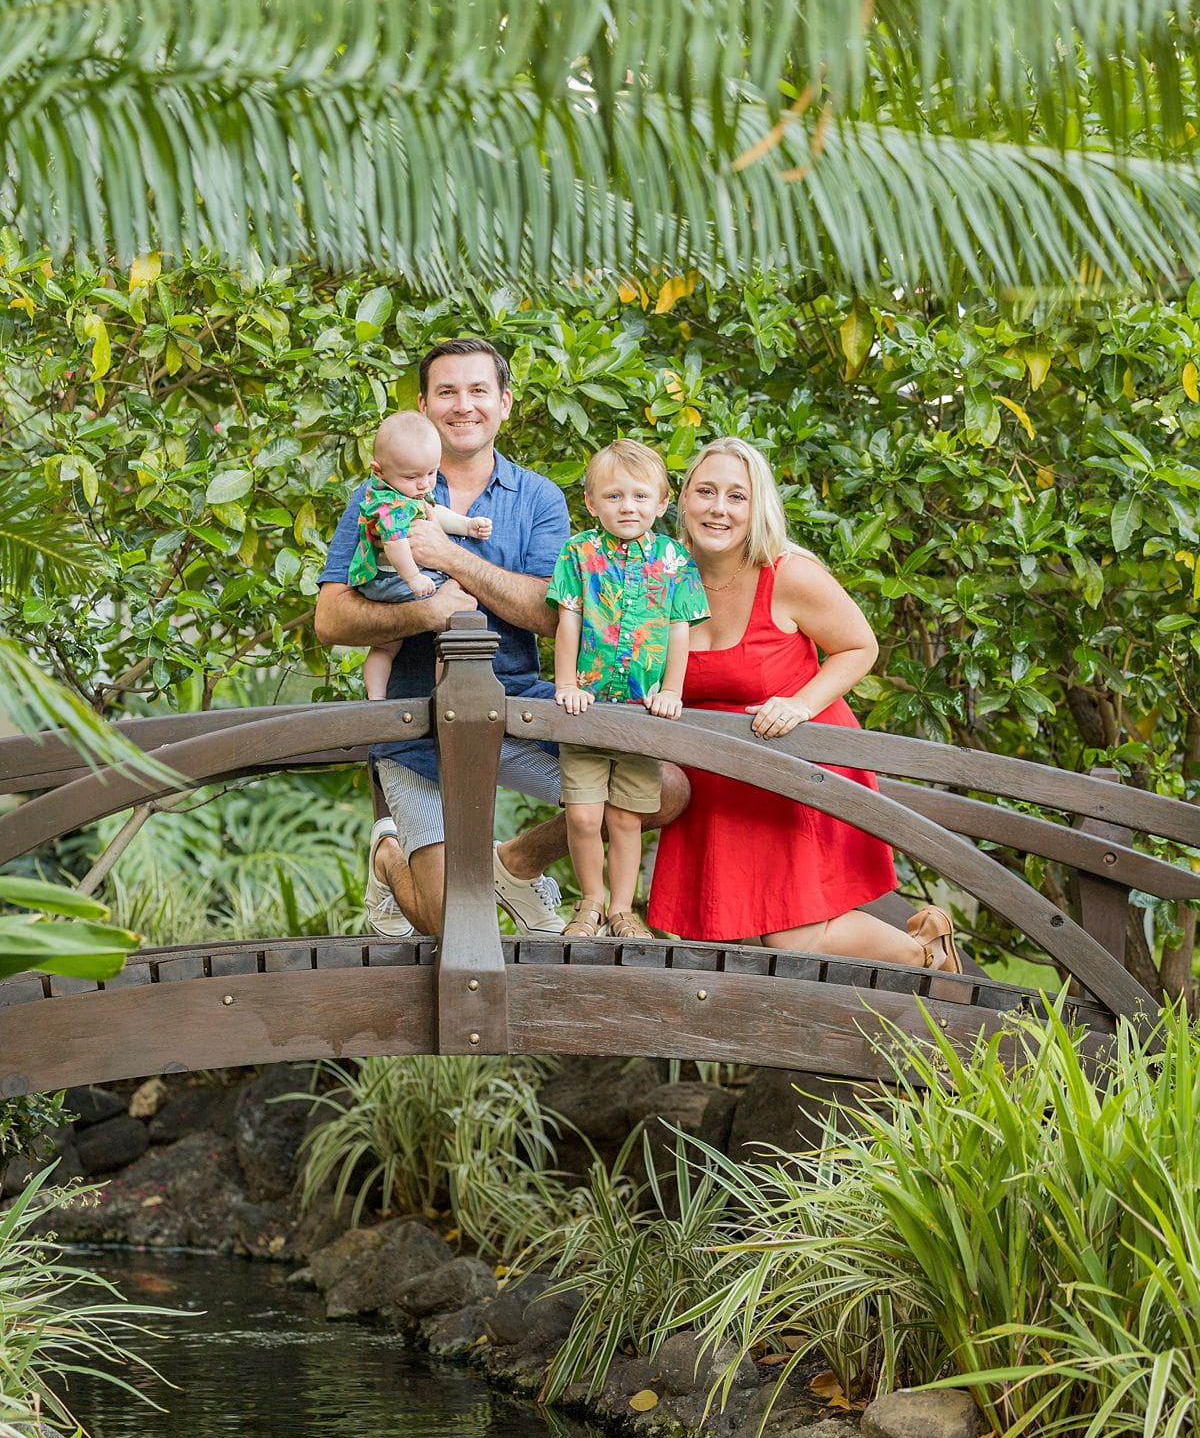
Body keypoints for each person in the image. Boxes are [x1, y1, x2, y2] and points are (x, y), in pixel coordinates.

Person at [314, 338, 689, 939]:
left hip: (518, 703)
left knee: (662, 788)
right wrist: (426, 610)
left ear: (505, 403)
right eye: (447, 392)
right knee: (454, 926)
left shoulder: (538, 497)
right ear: (424, 404)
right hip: (418, 724)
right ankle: (389, 859)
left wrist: (450, 557)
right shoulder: (377, 494)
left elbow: (551, 613)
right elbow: (331, 619)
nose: (463, 406)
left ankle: (516, 863)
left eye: (478, 390)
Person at [647, 437, 961, 971]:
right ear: (682, 499)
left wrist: (800, 703)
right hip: (719, 780)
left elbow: (861, 646)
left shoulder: (788, 573)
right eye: (705, 491)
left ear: (758, 507)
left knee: (792, 940)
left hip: (797, 766)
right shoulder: (660, 575)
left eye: (736, 496)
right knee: (732, 937)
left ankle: (924, 953)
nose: (718, 508)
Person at [549, 440, 709, 939]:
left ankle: (621, 909)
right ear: (592, 503)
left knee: (625, 817)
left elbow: (681, 627)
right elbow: (568, 618)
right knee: (582, 814)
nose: (628, 508)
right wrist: (565, 681)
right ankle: (590, 902)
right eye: (614, 497)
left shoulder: (674, 558)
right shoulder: (579, 553)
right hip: (588, 709)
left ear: (662, 504)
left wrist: (671, 690)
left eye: (641, 497)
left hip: (642, 714)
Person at [348, 411, 493, 701]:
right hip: (393, 580)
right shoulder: (388, 504)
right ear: (378, 472)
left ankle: (376, 699)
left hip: (388, 581)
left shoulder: (405, 493)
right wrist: (413, 577)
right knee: (453, 625)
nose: (424, 484)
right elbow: (395, 542)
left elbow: (433, 512)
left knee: (386, 646)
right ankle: (444, 697)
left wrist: (466, 525)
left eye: (431, 473)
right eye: (412, 476)